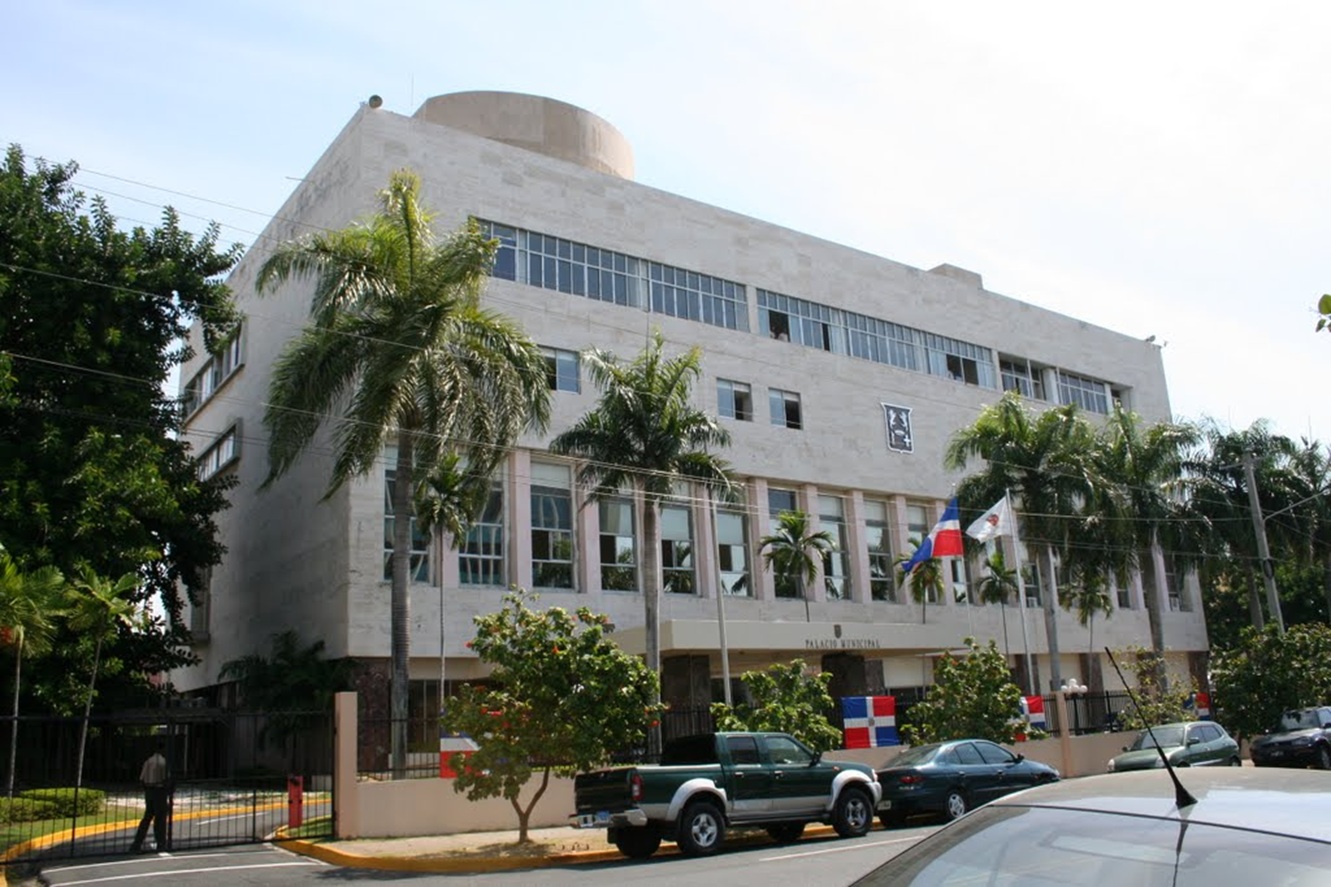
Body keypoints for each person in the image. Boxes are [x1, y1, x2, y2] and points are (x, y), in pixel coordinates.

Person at [129, 742, 170, 853]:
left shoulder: (148, 761)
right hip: (159, 790)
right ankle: (161, 843)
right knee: (160, 819)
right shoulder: (163, 762)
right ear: (163, 749)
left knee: (147, 817)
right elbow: (165, 779)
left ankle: (137, 843)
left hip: (149, 790)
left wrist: (147, 789)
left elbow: (141, 779)